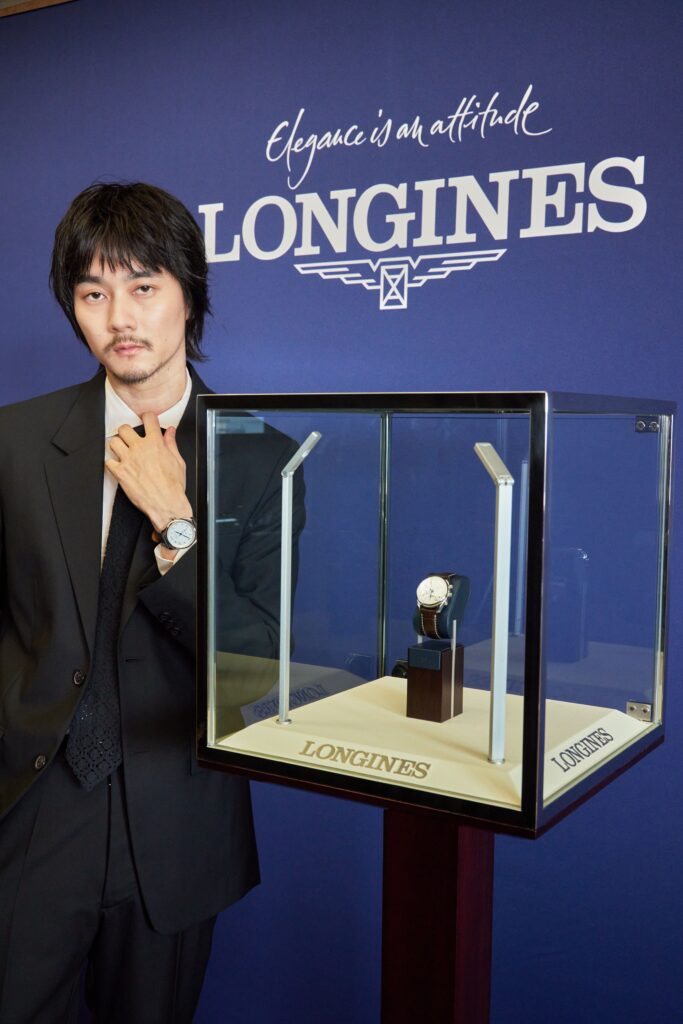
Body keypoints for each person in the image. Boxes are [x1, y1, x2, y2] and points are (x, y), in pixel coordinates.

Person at [0, 182, 296, 1023]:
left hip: (176, 818)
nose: (120, 318)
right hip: (33, 806)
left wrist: (176, 523)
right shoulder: (14, 441)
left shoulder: (263, 457)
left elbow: (255, 665)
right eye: (93, 293)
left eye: (143, 286)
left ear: (188, 296)